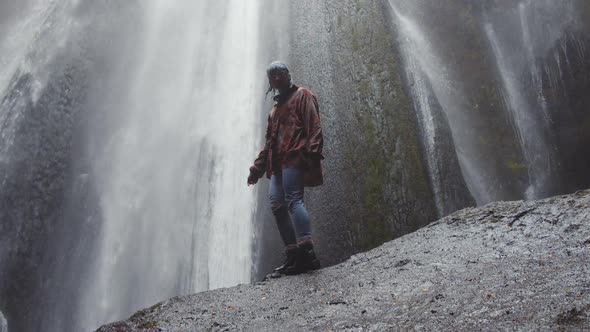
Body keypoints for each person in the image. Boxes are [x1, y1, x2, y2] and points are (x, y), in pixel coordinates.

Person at [247, 61, 324, 277]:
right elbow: (269, 143)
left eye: (280, 73)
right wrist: (257, 169)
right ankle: (293, 255)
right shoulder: (274, 110)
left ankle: (307, 253)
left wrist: (313, 154)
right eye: (272, 76)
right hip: (278, 164)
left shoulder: (303, 95)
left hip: (295, 156)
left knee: (293, 200)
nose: (277, 78)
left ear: (288, 74)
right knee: (276, 204)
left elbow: (314, 125)